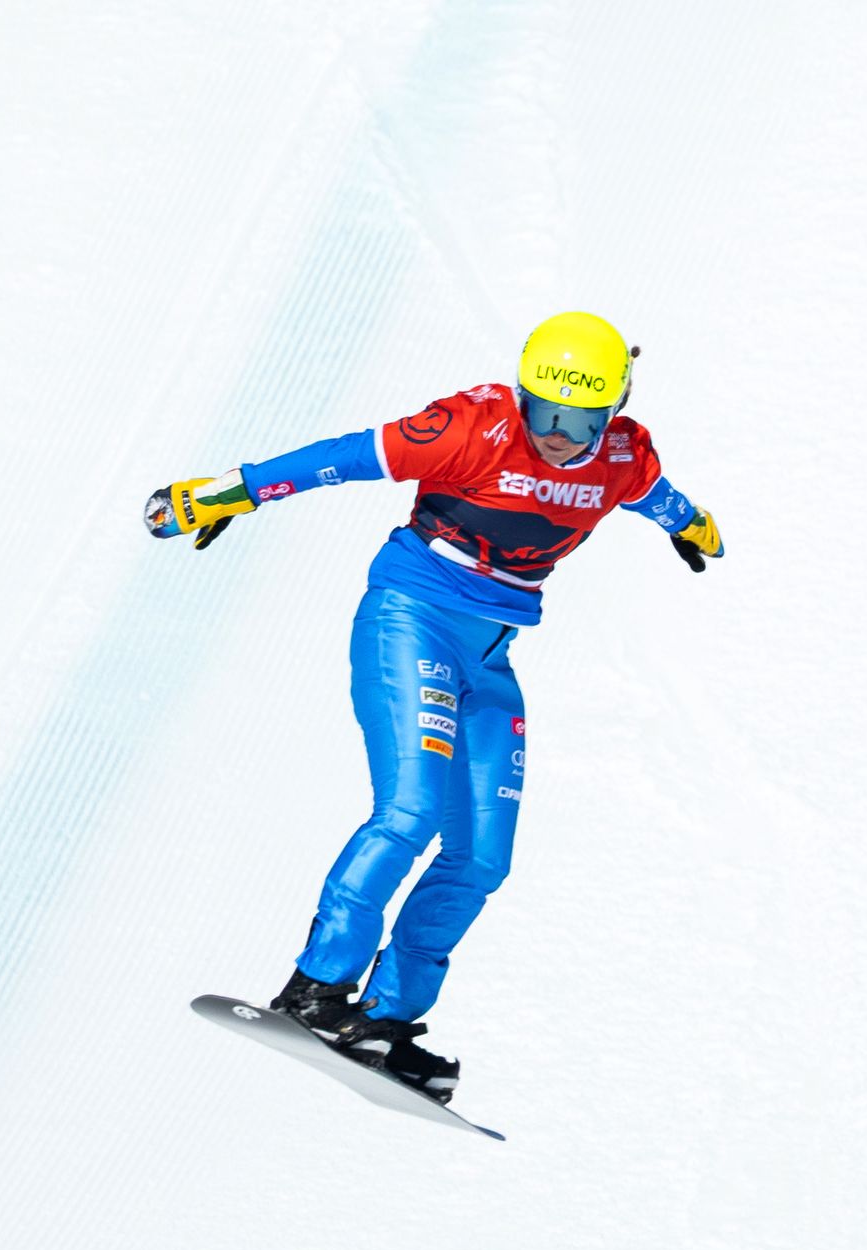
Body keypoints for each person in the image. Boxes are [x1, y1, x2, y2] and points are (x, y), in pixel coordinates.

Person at [144, 311, 723, 1097]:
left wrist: (690, 525)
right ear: (520, 394)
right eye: (543, 411)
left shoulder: (622, 454)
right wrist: (228, 494)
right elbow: (345, 459)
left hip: (490, 656)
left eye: (579, 419)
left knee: (483, 858)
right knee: (409, 811)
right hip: (411, 620)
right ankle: (316, 989)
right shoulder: (475, 427)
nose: (557, 434)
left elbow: (655, 495)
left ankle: (385, 1018)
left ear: (613, 409)